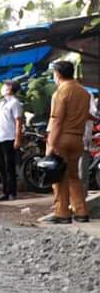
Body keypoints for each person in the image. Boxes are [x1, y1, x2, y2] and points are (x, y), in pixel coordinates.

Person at [44, 60, 92, 224]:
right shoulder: (84, 92)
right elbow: (86, 115)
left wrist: (51, 144)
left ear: (57, 74)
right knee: (73, 177)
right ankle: (81, 212)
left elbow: (57, 120)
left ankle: (62, 214)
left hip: (62, 138)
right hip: (78, 138)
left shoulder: (61, 93)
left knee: (58, 177)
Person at [0, 80, 24, 202]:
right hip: (0, 137)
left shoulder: (15, 103)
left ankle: (12, 192)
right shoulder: (1, 103)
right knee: (1, 166)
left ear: (10, 89)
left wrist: (18, 138)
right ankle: (5, 191)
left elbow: (18, 122)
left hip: (10, 137)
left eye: (5, 86)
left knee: (9, 166)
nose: (3, 87)